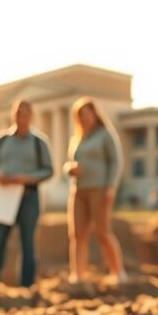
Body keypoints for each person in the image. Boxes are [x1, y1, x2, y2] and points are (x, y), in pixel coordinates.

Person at [0, 99, 53, 287]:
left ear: (31, 116)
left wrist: (26, 178)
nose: (21, 118)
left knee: (28, 243)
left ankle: (27, 285)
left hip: (28, 197)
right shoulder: (2, 140)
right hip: (2, 197)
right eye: (18, 114)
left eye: (25, 114)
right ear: (13, 115)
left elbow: (48, 170)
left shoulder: (39, 143)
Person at [63, 97, 126, 283]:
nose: (83, 118)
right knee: (77, 234)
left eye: (86, 113)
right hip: (78, 191)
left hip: (99, 189)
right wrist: (69, 169)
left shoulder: (105, 134)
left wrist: (111, 187)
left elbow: (116, 162)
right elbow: (69, 163)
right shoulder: (77, 138)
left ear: (94, 114)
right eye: (79, 115)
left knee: (102, 232)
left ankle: (118, 272)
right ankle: (78, 275)